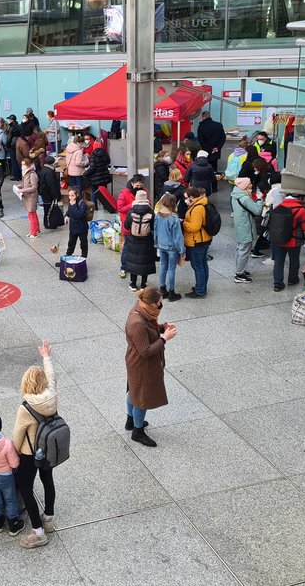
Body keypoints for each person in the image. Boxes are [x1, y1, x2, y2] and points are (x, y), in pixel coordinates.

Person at [11, 340, 56, 549]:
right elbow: (52, 376)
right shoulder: (52, 395)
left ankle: (38, 532)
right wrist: (46, 356)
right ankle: (48, 519)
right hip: (48, 449)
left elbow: (17, 437)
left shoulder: (26, 407)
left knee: (25, 487)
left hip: (30, 453)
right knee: (47, 480)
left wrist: (13, 454)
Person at [125, 287, 177, 447]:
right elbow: (146, 351)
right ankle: (137, 432)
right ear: (152, 304)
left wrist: (162, 327)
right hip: (142, 365)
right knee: (142, 398)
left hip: (136, 361)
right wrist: (164, 339)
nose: (161, 305)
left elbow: (150, 329)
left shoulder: (142, 310)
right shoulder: (137, 323)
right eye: (159, 302)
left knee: (134, 391)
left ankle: (131, 421)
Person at [269, 192, 305, 292]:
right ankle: (292, 279)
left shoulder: (279, 206)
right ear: (299, 198)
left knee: (278, 261)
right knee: (294, 260)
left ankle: (278, 283)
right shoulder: (301, 210)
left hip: (279, 239)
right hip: (294, 240)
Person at [230, 177, 263, 284]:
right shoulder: (245, 198)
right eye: (249, 184)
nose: (251, 185)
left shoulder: (235, 195)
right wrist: (259, 199)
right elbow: (257, 211)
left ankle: (240, 269)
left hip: (240, 226)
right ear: (244, 186)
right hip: (246, 227)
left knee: (240, 249)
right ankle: (239, 274)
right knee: (244, 251)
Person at [181, 187, 212, 299]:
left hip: (197, 240)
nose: (185, 200)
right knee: (202, 264)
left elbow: (194, 227)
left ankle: (200, 291)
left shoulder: (197, 208)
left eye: (186, 197)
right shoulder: (201, 203)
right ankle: (201, 286)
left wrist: (183, 223)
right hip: (204, 239)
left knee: (198, 266)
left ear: (192, 197)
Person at [122, 190, 156, 291]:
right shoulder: (151, 212)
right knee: (145, 262)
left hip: (133, 240)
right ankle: (143, 285)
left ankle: (133, 284)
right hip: (147, 241)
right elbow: (153, 227)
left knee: (133, 261)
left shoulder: (131, 212)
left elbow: (126, 226)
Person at [153, 193, 184, 301]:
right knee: (171, 269)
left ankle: (162, 289)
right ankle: (171, 292)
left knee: (163, 267)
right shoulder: (174, 218)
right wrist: (182, 250)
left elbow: (155, 230)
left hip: (161, 245)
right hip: (172, 247)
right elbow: (178, 237)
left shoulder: (158, 215)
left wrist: (156, 242)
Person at [196, 111, 226, 176]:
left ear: (203, 117)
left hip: (206, 151)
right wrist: (217, 147)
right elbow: (223, 138)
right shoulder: (219, 125)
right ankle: (214, 177)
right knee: (214, 165)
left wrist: (209, 149)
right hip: (216, 151)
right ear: (209, 116)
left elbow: (201, 141)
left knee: (206, 167)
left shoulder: (201, 127)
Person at [84, 145, 113, 211]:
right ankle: (106, 206)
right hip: (104, 177)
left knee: (94, 192)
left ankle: (95, 207)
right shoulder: (105, 154)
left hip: (95, 178)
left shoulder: (93, 156)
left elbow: (92, 168)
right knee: (104, 192)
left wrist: (85, 174)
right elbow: (108, 162)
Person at [64, 188, 89, 258]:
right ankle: (68, 256)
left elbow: (79, 215)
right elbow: (69, 210)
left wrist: (73, 205)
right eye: (69, 195)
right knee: (71, 243)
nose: (70, 198)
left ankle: (84, 257)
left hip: (82, 228)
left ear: (77, 195)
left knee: (83, 244)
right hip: (73, 227)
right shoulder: (71, 202)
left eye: (72, 195)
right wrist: (67, 216)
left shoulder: (82, 203)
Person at [19, 156, 40, 238]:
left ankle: (33, 232)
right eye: (22, 164)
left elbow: (34, 187)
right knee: (32, 214)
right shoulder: (25, 173)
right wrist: (20, 186)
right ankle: (36, 229)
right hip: (28, 196)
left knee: (31, 215)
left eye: (24, 164)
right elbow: (25, 183)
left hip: (31, 197)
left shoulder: (32, 174)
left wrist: (22, 190)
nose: (22, 166)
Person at [38, 156, 62, 229]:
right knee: (49, 209)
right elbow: (51, 185)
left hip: (45, 193)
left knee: (47, 209)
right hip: (49, 194)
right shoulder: (49, 172)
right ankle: (49, 223)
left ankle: (47, 223)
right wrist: (55, 196)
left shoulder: (44, 169)